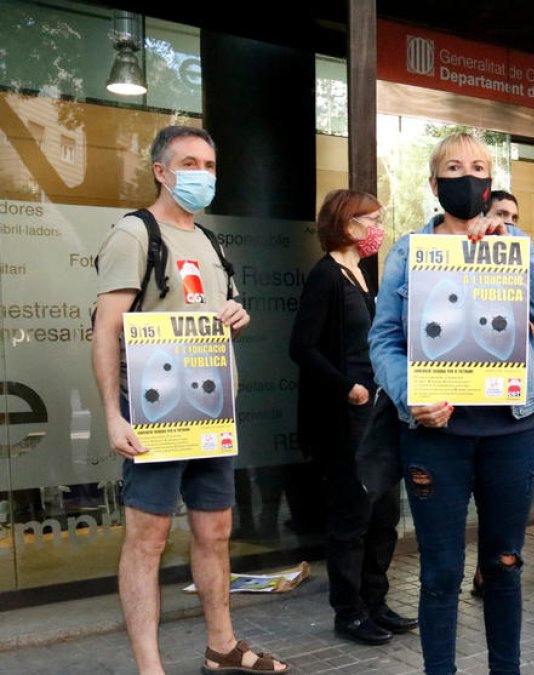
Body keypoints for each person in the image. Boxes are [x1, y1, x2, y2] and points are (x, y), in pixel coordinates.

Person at [91, 125, 288, 674]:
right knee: (148, 540)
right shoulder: (135, 235)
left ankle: (221, 647)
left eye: (209, 164)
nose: (203, 174)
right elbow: (106, 329)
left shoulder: (209, 241)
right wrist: (112, 415)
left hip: (209, 415)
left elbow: (220, 319)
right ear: (161, 171)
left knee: (215, 531)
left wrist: (237, 318)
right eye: (190, 163)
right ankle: (149, 667)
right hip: (154, 416)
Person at [369, 132, 534, 674]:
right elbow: (383, 340)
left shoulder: (514, 243)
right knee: (439, 573)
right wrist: (413, 398)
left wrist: (513, 245)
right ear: (435, 185)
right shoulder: (411, 253)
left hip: (511, 428)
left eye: (479, 167)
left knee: (504, 565)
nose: (468, 176)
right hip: (436, 436)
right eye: (454, 168)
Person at [289, 189, 417, 645]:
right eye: (371, 220)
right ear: (347, 224)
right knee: (351, 517)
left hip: (379, 411)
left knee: (383, 515)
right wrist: (348, 386)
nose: (377, 229)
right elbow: (301, 348)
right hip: (347, 416)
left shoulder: (364, 275)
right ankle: (349, 611)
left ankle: (376, 602)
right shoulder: (326, 277)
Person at [469, 188, 523, 599]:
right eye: (501, 213)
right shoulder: (439, 251)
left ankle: (490, 572)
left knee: (502, 533)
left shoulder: (520, 255)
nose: (508, 221)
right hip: (454, 412)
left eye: (515, 216)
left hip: (510, 414)